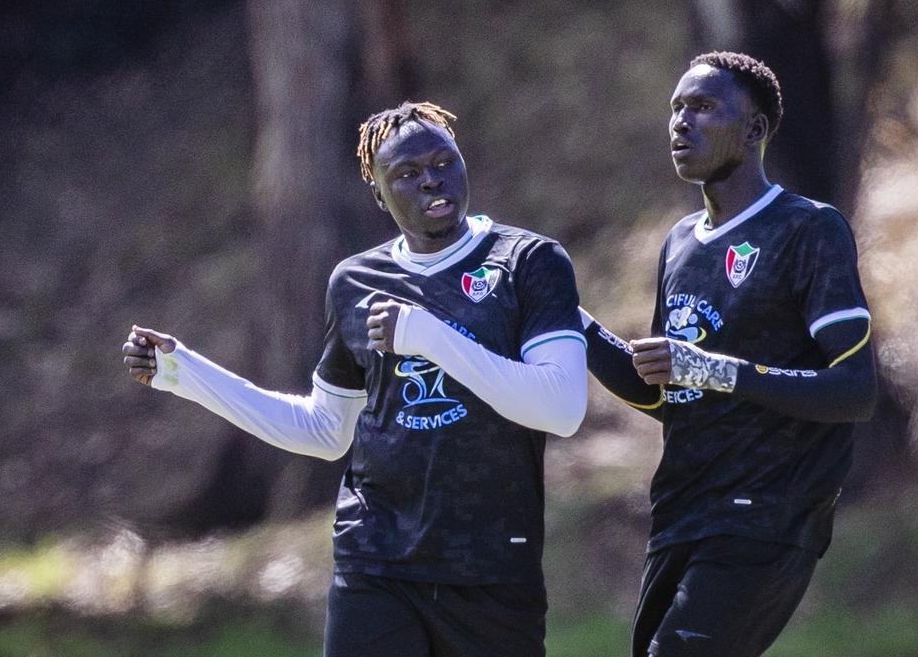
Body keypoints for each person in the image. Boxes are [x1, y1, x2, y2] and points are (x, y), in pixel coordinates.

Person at [122, 101, 588, 657]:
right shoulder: (355, 282)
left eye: (444, 162)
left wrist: (429, 338)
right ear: (379, 195)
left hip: (492, 569)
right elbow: (325, 430)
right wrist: (185, 373)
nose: (431, 180)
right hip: (376, 563)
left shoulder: (529, 261)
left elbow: (561, 407)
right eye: (407, 174)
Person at [580, 53, 877, 657]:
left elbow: (854, 390)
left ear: (755, 130)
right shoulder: (679, 244)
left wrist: (714, 369)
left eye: (704, 107)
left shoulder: (808, 229)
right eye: (676, 108)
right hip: (680, 515)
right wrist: (568, 317)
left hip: (766, 513)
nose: (681, 122)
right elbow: (666, 393)